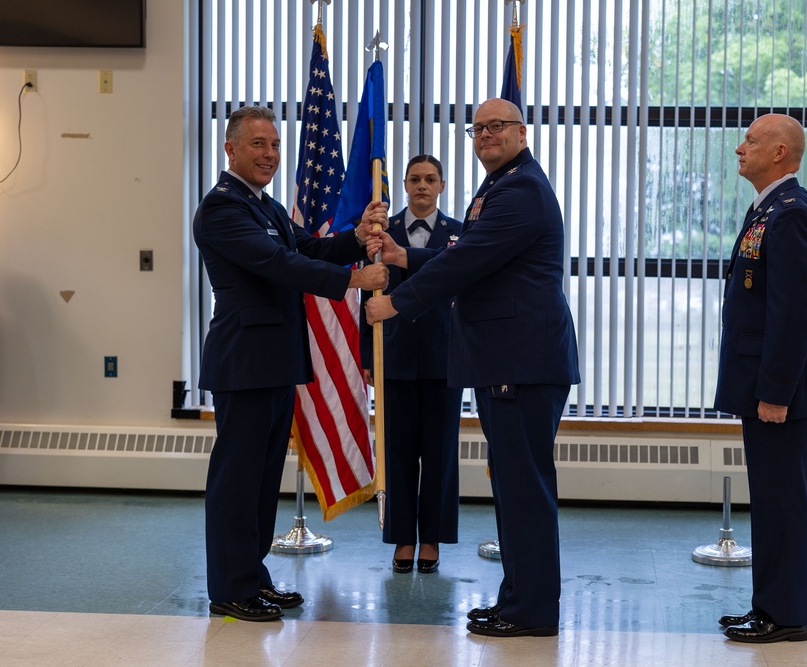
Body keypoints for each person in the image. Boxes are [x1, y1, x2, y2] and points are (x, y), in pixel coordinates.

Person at [366, 98, 580, 638]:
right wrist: (403, 258)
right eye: (478, 128)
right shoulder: (499, 186)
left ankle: (532, 613)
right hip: (506, 358)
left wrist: (396, 301)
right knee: (512, 488)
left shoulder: (521, 188)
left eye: (497, 126)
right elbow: (467, 248)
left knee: (525, 490)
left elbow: (467, 260)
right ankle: (516, 599)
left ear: (521, 132)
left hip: (521, 360)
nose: (486, 135)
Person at [193, 105, 389, 622]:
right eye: (258, 144)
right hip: (245, 362)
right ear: (230, 149)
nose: (270, 154)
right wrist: (353, 280)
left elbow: (309, 247)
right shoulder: (221, 208)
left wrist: (358, 235)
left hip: (276, 361)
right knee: (237, 482)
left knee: (259, 484)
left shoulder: (267, 207)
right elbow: (279, 265)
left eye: (275, 145)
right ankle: (230, 590)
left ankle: (252, 577)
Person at [714, 113, 807, 643]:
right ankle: (768, 606)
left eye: (751, 141)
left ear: (780, 152)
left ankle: (786, 617)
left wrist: (775, 391)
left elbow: (793, 312)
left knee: (782, 503)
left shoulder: (791, 214)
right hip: (767, 382)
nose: (740, 149)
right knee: (769, 499)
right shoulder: (768, 208)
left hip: (784, 389)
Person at [360, 155, 463, 574]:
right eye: (415, 179)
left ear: (441, 185)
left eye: (430, 179)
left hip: (444, 356)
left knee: (439, 454)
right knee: (397, 452)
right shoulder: (382, 233)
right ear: (403, 184)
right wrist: (368, 357)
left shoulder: (459, 235)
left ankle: (432, 539)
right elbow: (367, 297)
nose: (422, 186)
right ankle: (402, 537)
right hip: (394, 356)